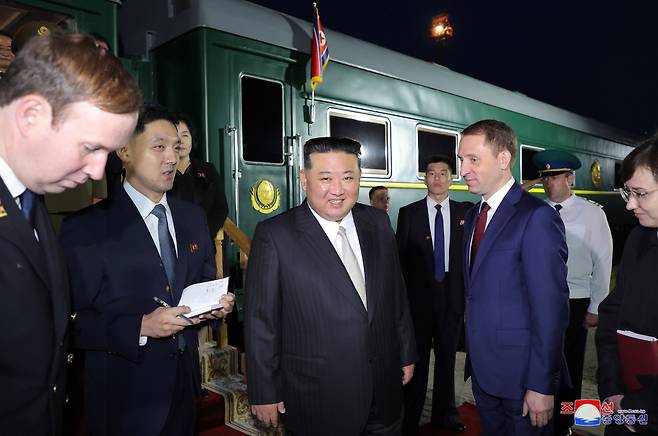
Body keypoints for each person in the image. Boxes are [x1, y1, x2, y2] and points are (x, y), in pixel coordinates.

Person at [59, 105, 235, 436]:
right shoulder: (86, 229)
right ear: (125, 151)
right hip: (124, 397)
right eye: (159, 146)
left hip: (184, 389)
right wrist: (141, 326)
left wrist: (215, 305)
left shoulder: (193, 219)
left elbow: (202, 283)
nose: (172, 157)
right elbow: (75, 324)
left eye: (176, 146)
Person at [0, 32, 141, 435]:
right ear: (31, 116)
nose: (99, 172)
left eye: (108, 154)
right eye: (90, 148)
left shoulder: (30, 198)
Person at [245, 137, 417, 436]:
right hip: (318, 398)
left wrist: (406, 351)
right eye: (325, 178)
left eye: (348, 178)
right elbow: (262, 322)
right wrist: (264, 391)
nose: (338, 190)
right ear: (303, 179)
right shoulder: (274, 236)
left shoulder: (377, 223)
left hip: (385, 388)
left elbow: (396, 294)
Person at [457, 119, 570, 435]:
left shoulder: (536, 217)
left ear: (504, 159)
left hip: (523, 381)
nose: (463, 169)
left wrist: (541, 384)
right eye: (461, 160)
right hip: (483, 373)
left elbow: (551, 310)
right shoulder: (473, 215)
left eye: (473, 160)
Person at [532, 149, 614, 436]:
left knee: (572, 365)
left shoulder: (592, 214)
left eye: (554, 177)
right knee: (542, 362)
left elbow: (603, 261)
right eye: (545, 178)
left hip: (575, 301)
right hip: (540, 302)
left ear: (570, 178)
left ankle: (566, 423)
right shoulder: (536, 212)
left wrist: (596, 307)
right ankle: (542, 416)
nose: (548, 183)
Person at [396, 155, 472, 434]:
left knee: (447, 359)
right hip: (418, 302)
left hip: (451, 298)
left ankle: (445, 414)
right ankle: (410, 417)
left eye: (443, 173)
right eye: (431, 173)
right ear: (424, 178)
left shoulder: (466, 213)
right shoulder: (409, 213)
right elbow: (400, 263)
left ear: (452, 178)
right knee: (415, 362)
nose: (437, 178)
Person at [596, 136, 658, 435]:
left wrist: (644, 406)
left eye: (641, 193)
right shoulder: (638, 240)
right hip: (622, 407)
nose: (631, 204)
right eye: (628, 193)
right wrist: (611, 389)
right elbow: (611, 317)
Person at [169, 114, 228, 242]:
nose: (181, 141)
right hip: (171, 246)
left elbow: (221, 208)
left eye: (185, 135)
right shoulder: (162, 172)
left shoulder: (208, 170)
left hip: (203, 244)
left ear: (192, 139)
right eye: (176, 136)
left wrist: (203, 234)